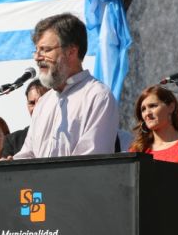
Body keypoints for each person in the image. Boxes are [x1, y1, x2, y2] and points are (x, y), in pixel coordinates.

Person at [14, 13, 118, 159]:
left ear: (71, 52)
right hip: (37, 182)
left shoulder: (98, 97)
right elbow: (28, 154)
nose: (37, 57)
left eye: (45, 50)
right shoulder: (44, 102)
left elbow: (92, 161)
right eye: (36, 51)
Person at [129, 85, 178, 192]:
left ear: (171, 107)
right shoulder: (137, 150)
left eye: (153, 106)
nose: (147, 113)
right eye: (143, 109)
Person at [2, 80, 48, 158]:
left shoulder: (63, 133)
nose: (36, 108)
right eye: (32, 103)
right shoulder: (13, 141)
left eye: (41, 102)